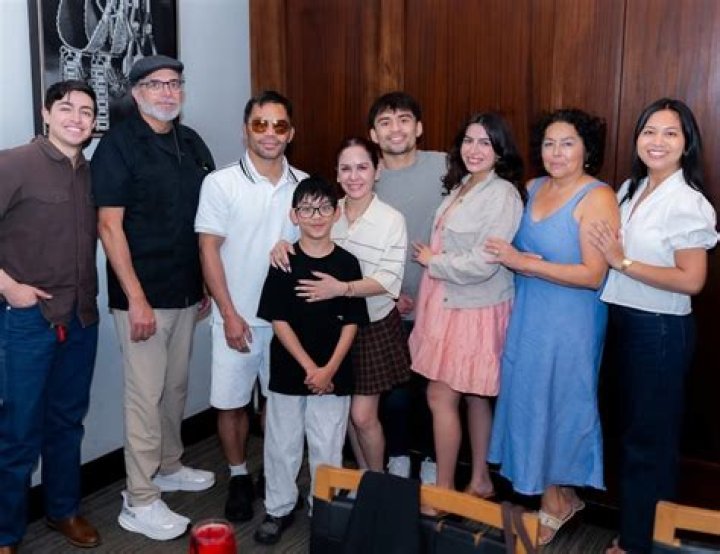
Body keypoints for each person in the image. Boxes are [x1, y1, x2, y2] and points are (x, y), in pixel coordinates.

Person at [92, 55, 216, 541]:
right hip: (142, 298)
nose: (168, 92)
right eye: (157, 84)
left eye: (175, 83)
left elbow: (204, 221)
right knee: (145, 398)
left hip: (186, 290)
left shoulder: (191, 142)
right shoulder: (118, 146)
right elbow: (109, 227)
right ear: (137, 91)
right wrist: (136, 299)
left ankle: (168, 465)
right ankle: (139, 499)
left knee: (175, 387)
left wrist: (204, 283)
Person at [588, 99, 717, 554]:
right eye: (649, 131)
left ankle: (639, 544)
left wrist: (621, 261)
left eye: (670, 133)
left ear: (687, 144)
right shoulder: (631, 188)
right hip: (623, 320)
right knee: (631, 435)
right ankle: (635, 533)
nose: (657, 141)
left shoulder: (687, 203)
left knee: (650, 443)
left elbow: (692, 280)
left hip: (659, 330)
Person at [485, 108, 619, 545]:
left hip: (572, 321)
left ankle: (556, 502)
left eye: (567, 143)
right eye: (549, 143)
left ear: (586, 150)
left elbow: (593, 274)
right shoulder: (531, 187)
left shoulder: (597, 197)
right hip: (528, 313)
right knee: (529, 399)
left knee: (562, 402)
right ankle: (559, 496)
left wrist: (525, 263)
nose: (556, 153)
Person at [195, 90, 306, 523]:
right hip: (236, 316)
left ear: (291, 133)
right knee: (231, 403)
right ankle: (239, 475)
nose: (270, 133)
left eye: (280, 125)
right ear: (246, 130)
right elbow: (208, 249)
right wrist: (229, 314)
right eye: (260, 124)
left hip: (286, 323)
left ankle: (276, 475)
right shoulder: (220, 183)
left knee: (280, 406)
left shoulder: (304, 185)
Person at [0, 80, 100, 554]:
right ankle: (5, 533)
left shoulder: (89, 173)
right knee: (18, 430)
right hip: (27, 321)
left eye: (86, 111)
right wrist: (8, 287)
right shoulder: (14, 163)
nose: (76, 118)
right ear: (45, 113)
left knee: (66, 422)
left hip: (80, 318)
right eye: (66, 108)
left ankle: (63, 510)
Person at [272, 137, 410, 473]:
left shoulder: (391, 219)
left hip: (372, 326)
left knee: (363, 416)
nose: (354, 176)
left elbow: (389, 280)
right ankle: (360, 479)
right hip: (329, 329)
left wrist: (342, 288)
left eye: (362, 167)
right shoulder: (330, 210)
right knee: (342, 412)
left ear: (377, 171)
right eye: (346, 168)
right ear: (336, 173)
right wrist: (282, 244)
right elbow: (308, 241)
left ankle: (377, 483)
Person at [408, 113, 524, 503]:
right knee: (473, 395)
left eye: (485, 143)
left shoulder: (503, 194)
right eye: (469, 141)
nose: (474, 150)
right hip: (447, 302)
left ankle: (443, 493)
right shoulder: (462, 184)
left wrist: (433, 261)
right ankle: (480, 481)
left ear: (500, 150)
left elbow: (485, 261)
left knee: (440, 397)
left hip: (474, 308)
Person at [253, 176, 369, 545]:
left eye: (323, 208)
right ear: (294, 215)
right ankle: (279, 508)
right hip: (290, 369)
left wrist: (328, 369)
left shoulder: (348, 263)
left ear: (336, 213)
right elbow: (278, 320)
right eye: (307, 209)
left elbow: (352, 322)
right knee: (282, 442)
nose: (316, 216)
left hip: (334, 372)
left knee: (327, 442)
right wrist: (309, 368)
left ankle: (325, 509)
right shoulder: (283, 260)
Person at [368, 91, 443, 482]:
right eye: (385, 122)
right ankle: (398, 456)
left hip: (441, 302)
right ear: (374, 134)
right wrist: (387, 295)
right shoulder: (367, 177)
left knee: (436, 392)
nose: (395, 129)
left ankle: (432, 459)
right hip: (389, 305)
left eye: (403, 120)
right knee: (395, 393)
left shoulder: (446, 166)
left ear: (419, 127)